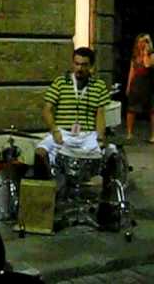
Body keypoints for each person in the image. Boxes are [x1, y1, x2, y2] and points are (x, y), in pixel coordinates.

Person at [33, 47, 110, 180]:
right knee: (40, 152)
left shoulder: (99, 86)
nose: (79, 68)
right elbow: (46, 110)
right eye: (77, 64)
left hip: (87, 135)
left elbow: (100, 115)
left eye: (84, 65)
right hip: (62, 132)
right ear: (72, 63)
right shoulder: (61, 82)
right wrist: (55, 130)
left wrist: (100, 138)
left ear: (91, 66)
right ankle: (48, 186)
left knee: (101, 157)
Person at [125, 33, 154, 143]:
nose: (141, 44)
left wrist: (146, 52)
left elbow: (147, 65)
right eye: (140, 41)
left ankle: (152, 135)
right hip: (136, 84)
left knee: (152, 110)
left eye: (144, 41)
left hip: (148, 84)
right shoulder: (134, 56)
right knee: (131, 109)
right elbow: (131, 72)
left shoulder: (151, 55)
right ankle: (129, 133)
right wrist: (128, 86)